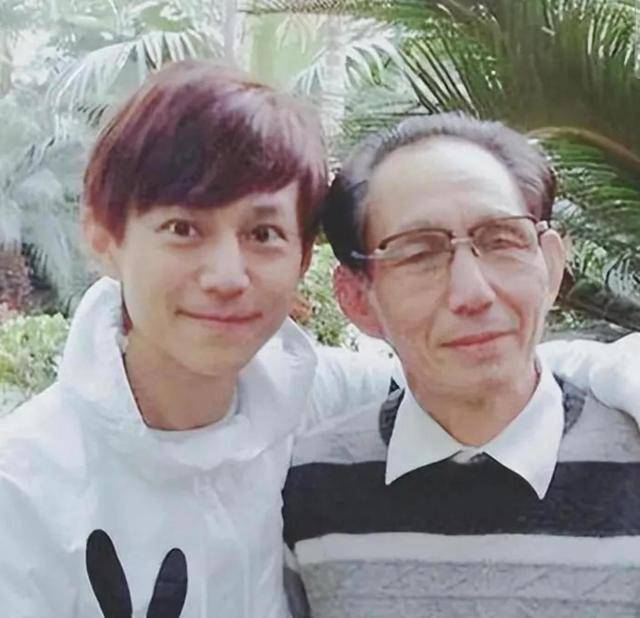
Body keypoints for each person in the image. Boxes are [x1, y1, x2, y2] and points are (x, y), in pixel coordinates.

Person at [0, 60, 393, 617]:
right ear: (104, 237)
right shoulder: (23, 486)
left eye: (263, 233)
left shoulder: (317, 399)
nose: (227, 277)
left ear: (304, 258)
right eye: (183, 229)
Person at [283, 113, 640, 617]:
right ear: (357, 299)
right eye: (419, 253)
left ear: (550, 265)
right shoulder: (308, 488)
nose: (473, 293)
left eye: (501, 240)